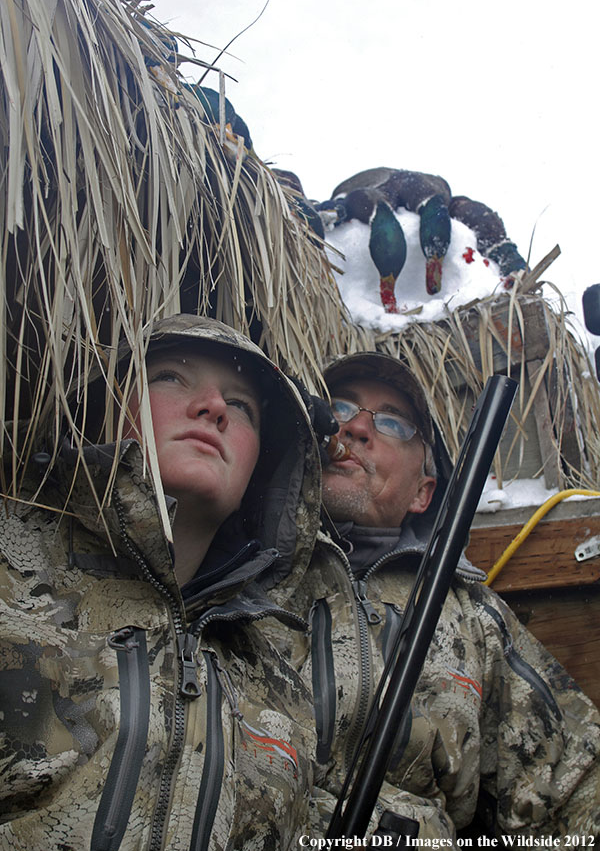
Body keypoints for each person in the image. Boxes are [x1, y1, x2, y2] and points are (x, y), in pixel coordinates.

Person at [0, 314, 323, 851]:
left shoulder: (282, 681)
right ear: (102, 410)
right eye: (171, 376)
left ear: (258, 473)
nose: (214, 407)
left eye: (241, 406)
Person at [290, 351, 600, 842]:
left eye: (391, 422)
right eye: (341, 408)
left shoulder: (472, 619)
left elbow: (576, 784)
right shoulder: (234, 579)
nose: (355, 429)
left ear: (423, 493)